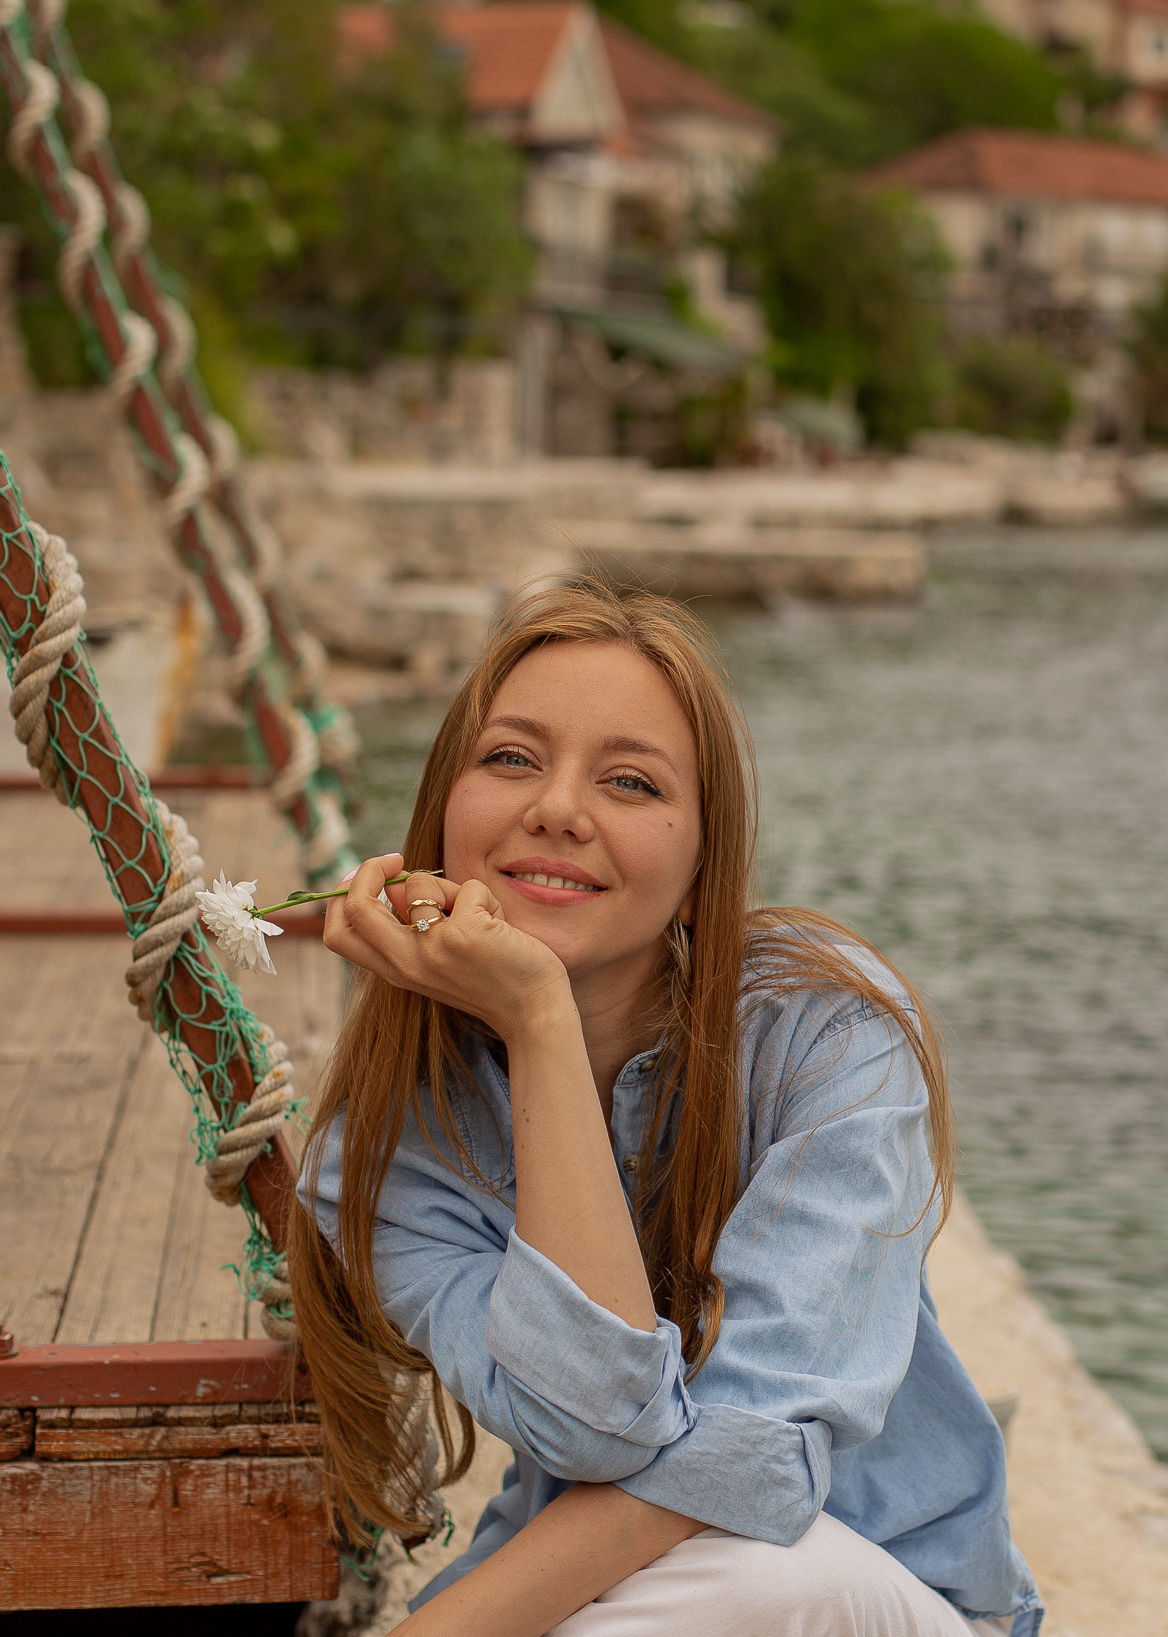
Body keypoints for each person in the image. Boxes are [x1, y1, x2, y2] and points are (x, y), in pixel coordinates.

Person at [292, 580, 1042, 1637]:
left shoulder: (825, 1038)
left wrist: (538, 1019)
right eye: (511, 757)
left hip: (869, 1593)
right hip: (636, 1601)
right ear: (439, 817)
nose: (556, 806)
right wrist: (540, 1027)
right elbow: (591, 1422)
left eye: (631, 781)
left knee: (774, 1575)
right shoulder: (382, 1152)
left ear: (701, 869)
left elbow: (758, 1462)